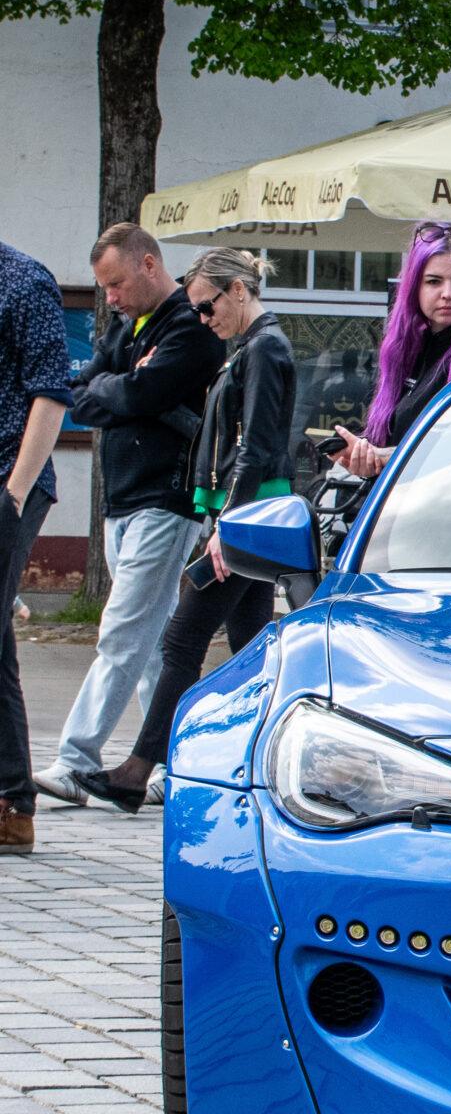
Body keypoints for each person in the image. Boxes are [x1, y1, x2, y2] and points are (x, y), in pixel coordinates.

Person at [82, 249, 295, 814]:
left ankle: (137, 771)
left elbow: (256, 446)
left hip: (249, 517)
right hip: (249, 515)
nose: (201, 318)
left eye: (206, 306)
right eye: (197, 309)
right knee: (253, 648)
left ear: (238, 291)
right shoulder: (256, 346)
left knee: (181, 640)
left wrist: (230, 524)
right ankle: (260, 764)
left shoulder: (264, 347)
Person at [38, 225, 224, 808]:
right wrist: (124, 387)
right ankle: (174, 763)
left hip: (165, 500)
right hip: (123, 499)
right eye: (104, 288)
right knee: (154, 643)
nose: (111, 297)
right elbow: (82, 391)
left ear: (148, 264)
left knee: (123, 633)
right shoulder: (128, 327)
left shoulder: (189, 326)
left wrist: (123, 390)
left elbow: (137, 395)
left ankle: (77, 761)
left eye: (117, 284)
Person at [331, 223, 451, 482]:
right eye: (433, 281)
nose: (447, 294)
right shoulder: (408, 346)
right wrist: (365, 455)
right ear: (414, 287)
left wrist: (389, 457)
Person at [0, 238, 73, 854]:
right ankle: (12, 805)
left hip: (9, 480)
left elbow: (51, 393)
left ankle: (12, 805)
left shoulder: (24, 281)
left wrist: (14, 494)